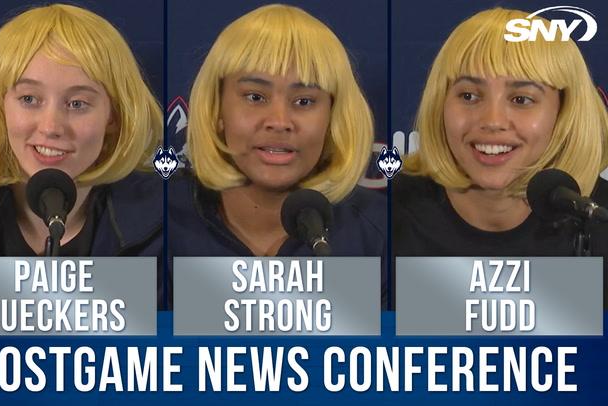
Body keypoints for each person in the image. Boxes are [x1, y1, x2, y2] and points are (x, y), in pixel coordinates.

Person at [392, 8, 608, 307]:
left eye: (521, 99)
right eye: (469, 96)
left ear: (564, 112)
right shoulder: (384, 217)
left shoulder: (599, 218)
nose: (492, 120)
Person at [0, 4, 165, 304]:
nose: (52, 127)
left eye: (77, 104)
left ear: (114, 116)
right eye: (29, 99)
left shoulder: (165, 225)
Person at [169, 4, 385, 262]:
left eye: (304, 101)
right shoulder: (161, 221)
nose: (279, 122)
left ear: (333, 118)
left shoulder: (381, 233)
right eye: (255, 97)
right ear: (217, 110)